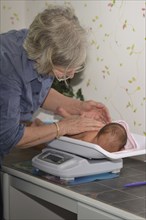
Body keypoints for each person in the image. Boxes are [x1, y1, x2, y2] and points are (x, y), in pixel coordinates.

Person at [0, 5, 111, 163]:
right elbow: (8, 137)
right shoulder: (7, 68)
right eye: (65, 70)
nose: (71, 75)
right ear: (46, 58)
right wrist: (63, 127)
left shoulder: (37, 43)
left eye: (75, 68)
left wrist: (79, 107)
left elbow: (34, 91)